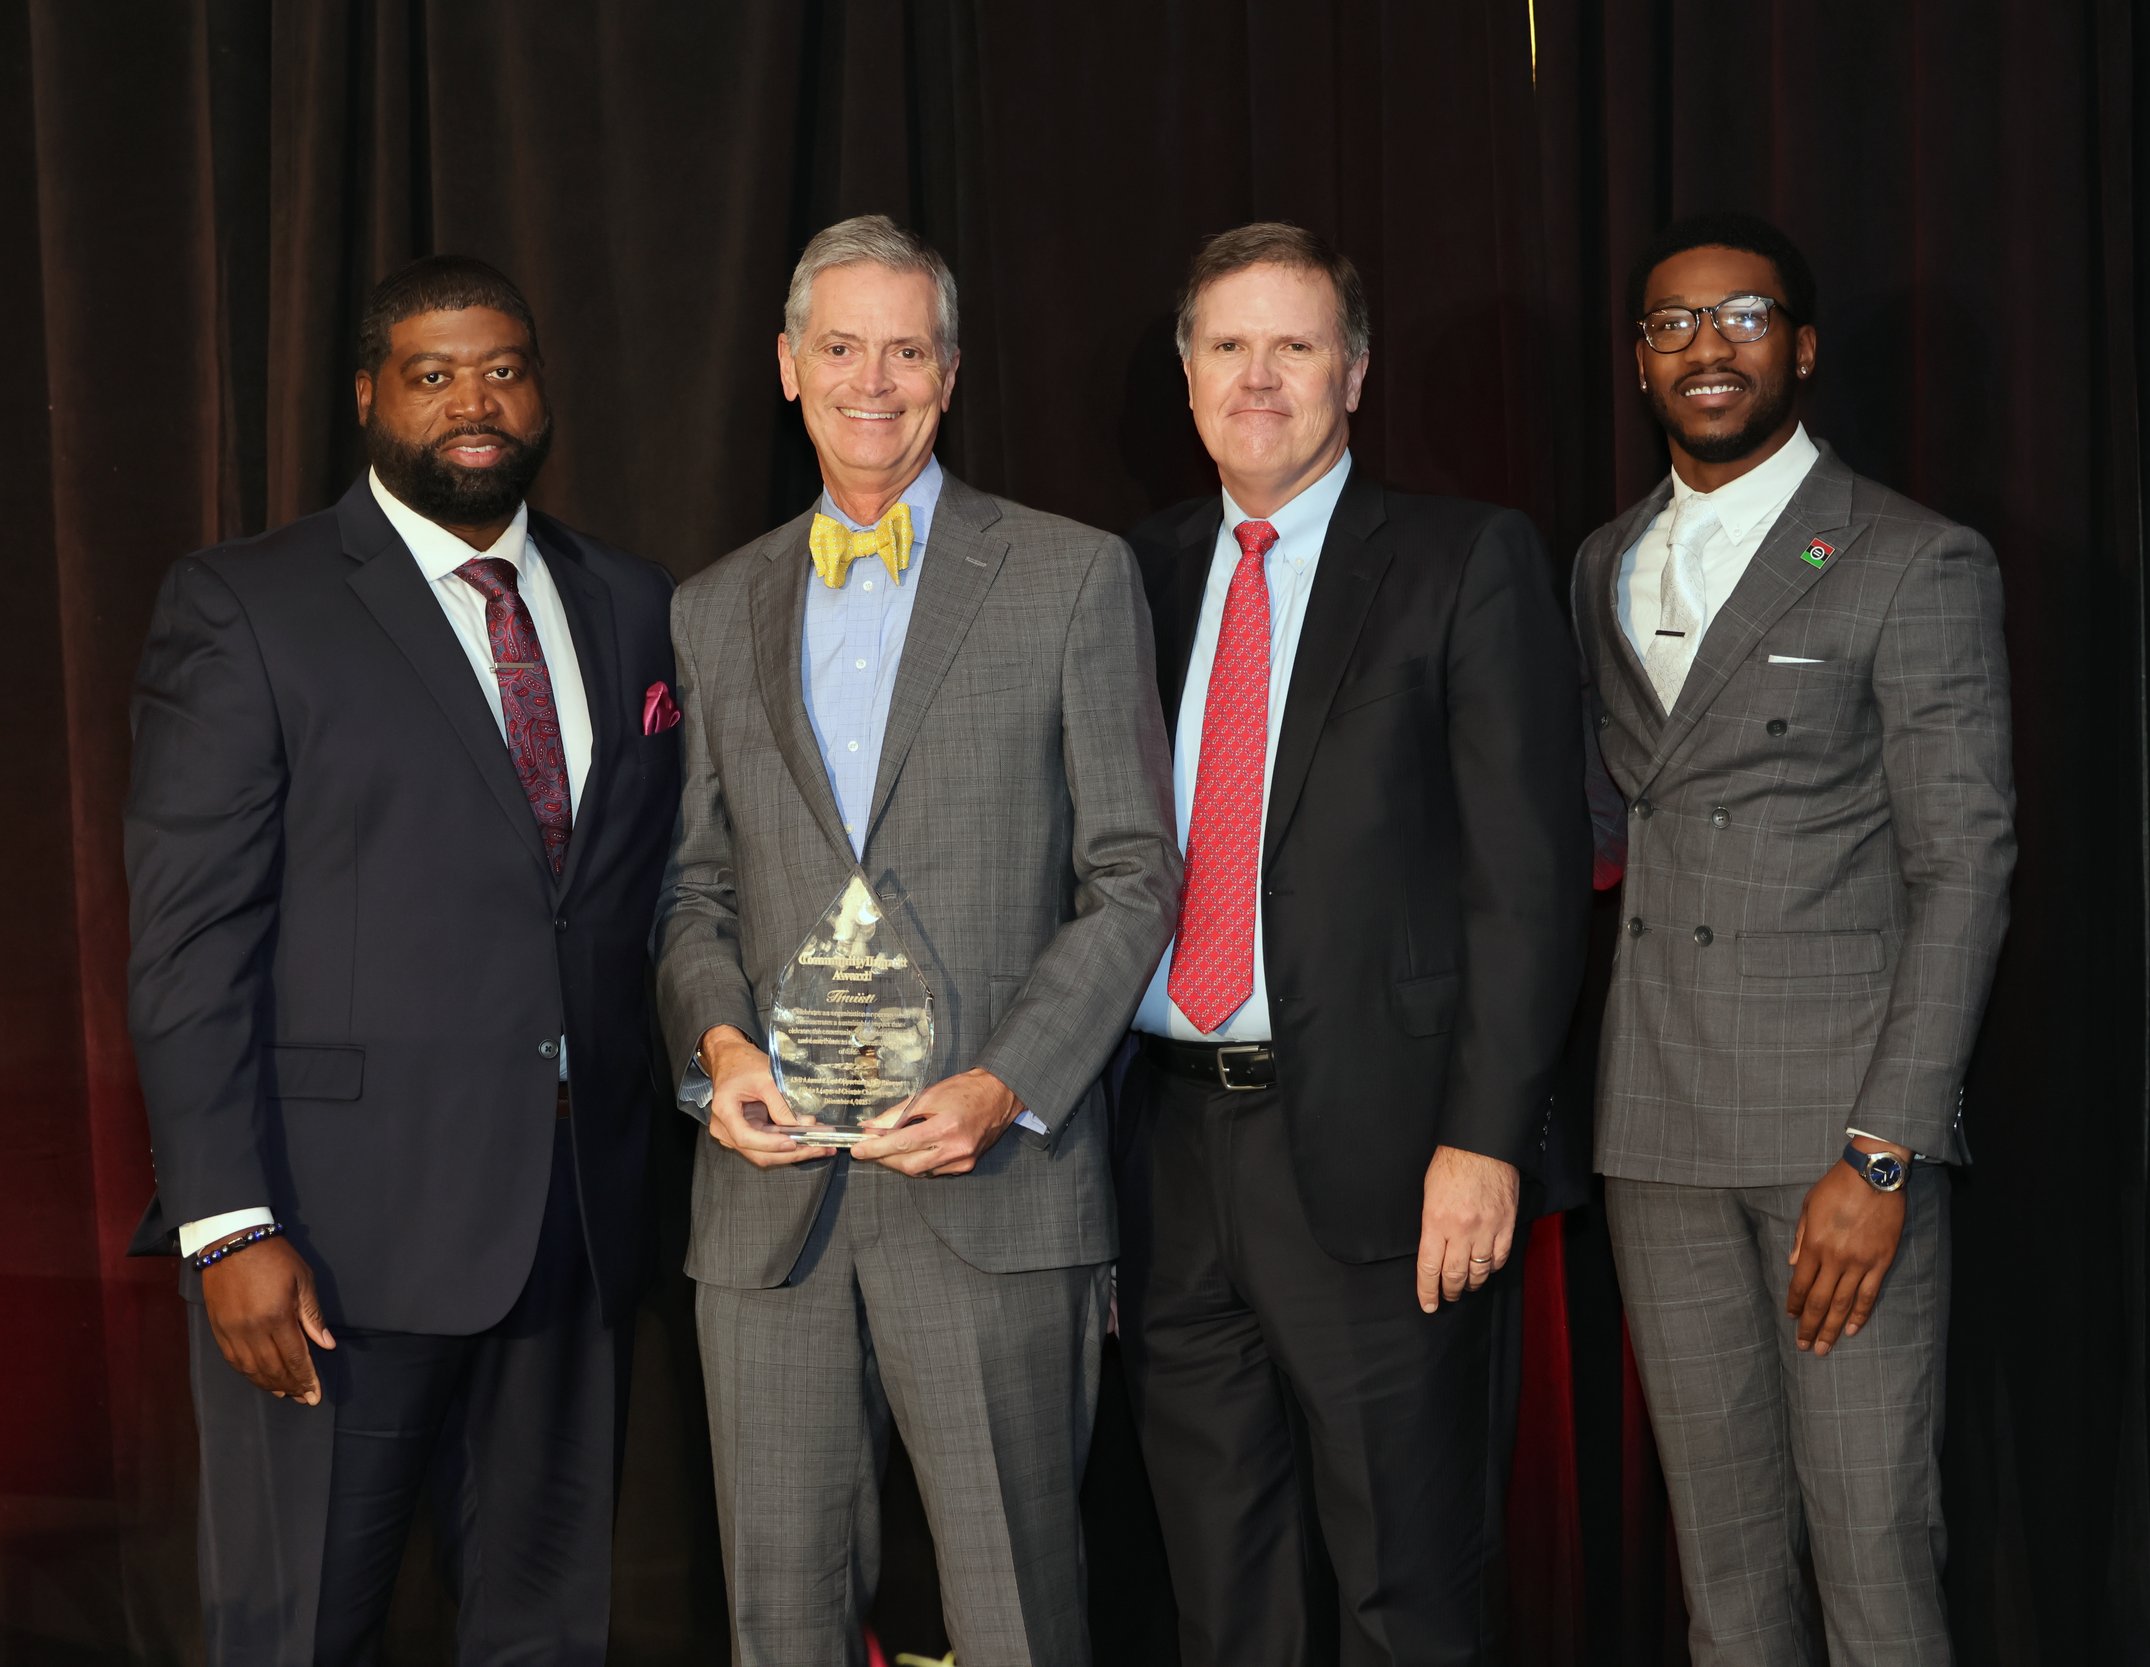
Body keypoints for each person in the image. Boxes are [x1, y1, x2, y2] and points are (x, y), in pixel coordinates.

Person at [124, 256, 679, 1664]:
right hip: (332, 1248)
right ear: (371, 394)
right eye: (433, 375)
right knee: (301, 1629)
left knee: (550, 1634)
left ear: (543, 390)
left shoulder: (629, 600)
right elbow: (190, 938)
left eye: (502, 368)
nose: (474, 403)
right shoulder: (251, 603)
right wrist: (229, 1224)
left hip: (578, 1230)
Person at [654, 214, 1179, 1667]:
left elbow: (1135, 874)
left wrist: (1007, 1083)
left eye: (904, 349)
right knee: (781, 1622)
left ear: (948, 377)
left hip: (994, 1185)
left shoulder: (1070, 577)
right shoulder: (711, 610)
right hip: (771, 1210)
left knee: (1018, 1615)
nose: (868, 379)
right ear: (784, 367)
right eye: (839, 346)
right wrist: (716, 1050)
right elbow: (690, 888)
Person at [1115, 221, 1590, 1666]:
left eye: (1297, 345)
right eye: (1228, 345)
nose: (1260, 376)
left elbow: (1530, 878)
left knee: (1406, 1591)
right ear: (1188, 374)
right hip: (1168, 1159)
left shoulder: (1465, 560)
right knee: (1222, 1594)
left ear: (1356, 375)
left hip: (1392, 1169)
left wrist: (1486, 1140)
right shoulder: (1124, 578)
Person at [1577, 211, 2015, 1663]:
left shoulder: (1910, 557)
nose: (1709, 347)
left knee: (1875, 1550)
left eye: (1745, 319)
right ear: (1640, 362)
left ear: (1805, 348)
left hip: (1834, 1142)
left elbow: (1966, 869)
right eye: (1674, 325)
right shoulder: (1602, 565)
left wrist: (1886, 1151)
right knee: (1726, 1568)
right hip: (1655, 1136)